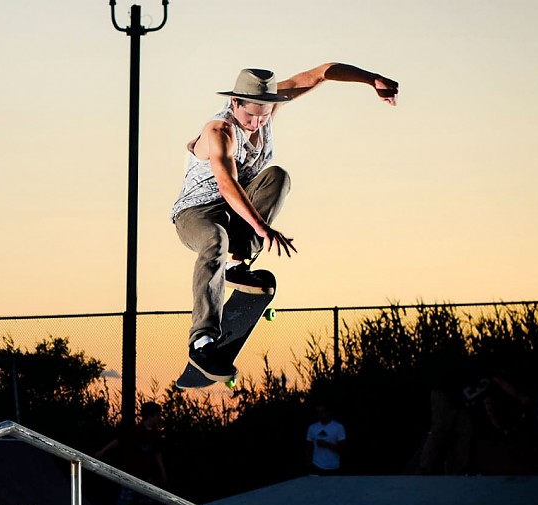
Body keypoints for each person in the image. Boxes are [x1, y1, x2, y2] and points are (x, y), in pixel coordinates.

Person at [171, 64, 399, 381]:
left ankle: (238, 264)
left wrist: (371, 80)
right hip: (197, 214)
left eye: (264, 116)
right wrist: (263, 229)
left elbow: (322, 73)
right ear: (235, 103)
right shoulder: (219, 132)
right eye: (251, 116)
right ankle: (202, 341)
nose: (257, 123)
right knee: (215, 239)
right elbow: (227, 185)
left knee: (277, 177)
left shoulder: (268, 110)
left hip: (237, 212)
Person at [97, 401, 169, 505]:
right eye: (157, 415)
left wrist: (162, 472)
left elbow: (157, 454)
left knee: (146, 502)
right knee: (124, 500)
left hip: (147, 475)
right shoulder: (136, 431)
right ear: (149, 416)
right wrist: (103, 451)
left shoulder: (155, 434)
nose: (159, 418)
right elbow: (118, 441)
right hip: (133, 473)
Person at [306, 404, 347, 475]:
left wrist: (327, 445)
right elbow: (309, 448)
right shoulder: (312, 427)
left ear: (328, 412)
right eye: (318, 412)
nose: (320, 414)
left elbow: (342, 449)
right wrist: (308, 465)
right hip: (316, 467)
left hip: (333, 468)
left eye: (322, 412)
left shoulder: (338, 427)